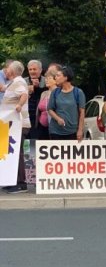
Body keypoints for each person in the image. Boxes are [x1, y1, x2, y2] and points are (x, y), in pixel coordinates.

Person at [1, 61, 30, 193]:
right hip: (12, 124)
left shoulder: (18, 82)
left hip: (19, 123)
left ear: (12, 71)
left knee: (17, 152)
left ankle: (20, 182)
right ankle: (13, 180)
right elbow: (5, 90)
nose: (5, 71)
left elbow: (24, 94)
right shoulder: (13, 83)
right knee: (13, 153)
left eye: (7, 69)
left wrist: (19, 105)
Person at [47, 66, 85, 140]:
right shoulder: (55, 92)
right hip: (55, 130)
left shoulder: (78, 92)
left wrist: (80, 130)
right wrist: (58, 119)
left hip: (72, 131)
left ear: (66, 78)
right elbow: (50, 109)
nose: (55, 78)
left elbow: (82, 113)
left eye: (58, 75)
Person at [26, 59, 46, 139]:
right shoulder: (24, 81)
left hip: (40, 116)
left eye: (34, 69)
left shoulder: (46, 80)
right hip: (27, 115)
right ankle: (27, 152)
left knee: (38, 138)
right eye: (30, 69)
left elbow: (47, 94)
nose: (32, 71)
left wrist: (37, 88)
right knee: (27, 139)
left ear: (40, 70)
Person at [35, 69, 57, 140]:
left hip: (55, 126)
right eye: (46, 78)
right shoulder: (43, 93)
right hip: (41, 126)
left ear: (56, 80)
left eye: (49, 78)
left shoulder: (60, 93)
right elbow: (39, 110)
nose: (46, 80)